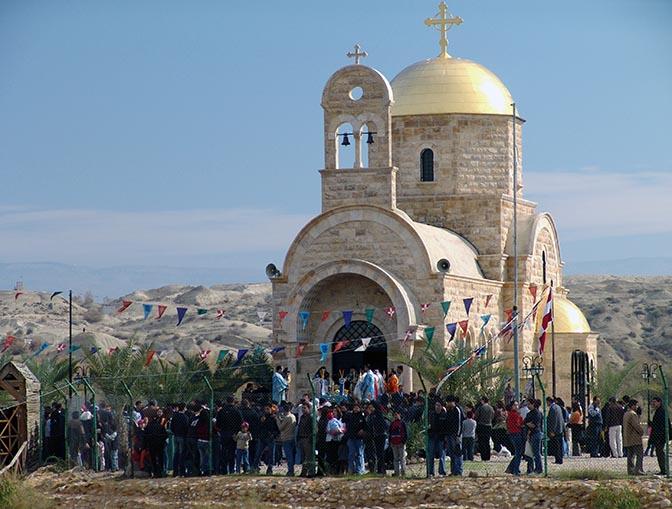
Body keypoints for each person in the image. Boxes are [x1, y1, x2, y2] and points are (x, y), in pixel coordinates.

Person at [216, 396, 243, 475]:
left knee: (223, 452)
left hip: (224, 433)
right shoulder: (237, 411)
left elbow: (218, 423)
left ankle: (224, 469)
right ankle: (231, 469)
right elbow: (241, 422)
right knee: (232, 452)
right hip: (233, 434)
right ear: (233, 402)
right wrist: (237, 431)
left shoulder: (222, 411)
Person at [623, 399, 644, 476]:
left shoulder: (626, 414)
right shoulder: (633, 414)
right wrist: (641, 431)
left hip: (628, 438)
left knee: (630, 455)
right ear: (632, 406)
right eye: (635, 405)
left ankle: (630, 470)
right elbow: (636, 426)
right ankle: (638, 469)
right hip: (634, 438)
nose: (636, 407)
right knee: (639, 454)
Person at [276, 402, 297, 476]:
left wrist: (277, 419)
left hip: (286, 438)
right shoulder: (293, 416)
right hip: (292, 437)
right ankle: (291, 470)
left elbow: (280, 427)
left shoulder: (287, 417)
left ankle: (290, 471)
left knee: (289, 456)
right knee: (291, 455)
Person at [427, 400, 448, 476]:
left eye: (439, 405)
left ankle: (442, 472)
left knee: (441, 455)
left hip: (441, 437)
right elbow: (429, 424)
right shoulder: (432, 414)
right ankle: (431, 472)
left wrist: (445, 436)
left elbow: (446, 427)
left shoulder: (444, 415)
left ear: (442, 406)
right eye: (436, 405)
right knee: (431, 455)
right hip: (432, 436)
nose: (437, 407)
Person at [649, 397, 669, 475]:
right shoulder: (659, 411)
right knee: (659, 452)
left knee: (660, 452)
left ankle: (664, 470)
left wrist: (659, 436)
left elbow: (661, 425)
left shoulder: (661, 411)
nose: (653, 403)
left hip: (660, 436)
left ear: (659, 402)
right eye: (653, 402)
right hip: (658, 436)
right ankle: (663, 469)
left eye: (655, 402)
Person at [445, 395, 464, 476]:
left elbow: (459, 424)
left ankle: (458, 471)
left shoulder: (457, 410)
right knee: (452, 453)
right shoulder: (449, 411)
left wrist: (458, 435)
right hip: (449, 434)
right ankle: (453, 471)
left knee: (457, 453)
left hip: (455, 435)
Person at [523, 399, 543, 475]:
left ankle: (539, 469)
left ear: (533, 404)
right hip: (530, 434)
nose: (528, 406)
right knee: (530, 452)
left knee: (536, 452)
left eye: (529, 404)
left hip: (536, 434)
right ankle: (530, 469)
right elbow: (525, 422)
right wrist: (528, 424)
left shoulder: (537, 413)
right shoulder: (529, 414)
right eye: (527, 404)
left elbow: (534, 425)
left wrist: (528, 424)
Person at [506, 401, 524, 475]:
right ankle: (516, 470)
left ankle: (512, 468)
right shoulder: (514, 414)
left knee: (518, 452)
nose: (516, 407)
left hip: (512, 433)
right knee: (518, 452)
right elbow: (519, 424)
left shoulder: (510, 414)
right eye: (514, 405)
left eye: (517, 405)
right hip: (516, 433)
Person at [297, 402, 315, 477]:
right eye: (302, 408)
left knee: (309, 456)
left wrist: (311, 438)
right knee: (303, 457)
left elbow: (314, 429)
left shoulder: (311, 417)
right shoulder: (302, 417)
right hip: (301, 438)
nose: (303, 410)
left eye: (305, 408)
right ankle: (303, 472)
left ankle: (311, 472)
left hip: (307, 439)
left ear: (309, 408)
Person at [388, 409, 407, 477]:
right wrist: (391, 442)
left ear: (399, 415)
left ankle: (403, 472)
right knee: (396, 458)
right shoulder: (392, 424)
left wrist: (403, 442)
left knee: (402, 458)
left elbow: (405, 434)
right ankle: (396, 472)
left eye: (397, 414)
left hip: (400, 443)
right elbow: (390, 433)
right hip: (394, 443)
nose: (395, 416)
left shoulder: (402, 423)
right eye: (394, 415)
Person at [475, 396, 494, 461]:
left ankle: (483, 456)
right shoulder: (491, 408)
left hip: (481, 426)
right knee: (487, 441)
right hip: (489, 425)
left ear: (483, 400)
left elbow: (476, 416)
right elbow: (493, 416)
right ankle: (488, 456)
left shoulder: (480, 408)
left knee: (481, 442)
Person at [546, 397, 564, 464]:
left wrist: (552, 430)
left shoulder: (553, 408)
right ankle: (559, 459)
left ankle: (558, 460)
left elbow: (553, 420)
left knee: (556, 446)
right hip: (560, 429)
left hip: (555, 430)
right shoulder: (558, 407)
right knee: (559, 445)